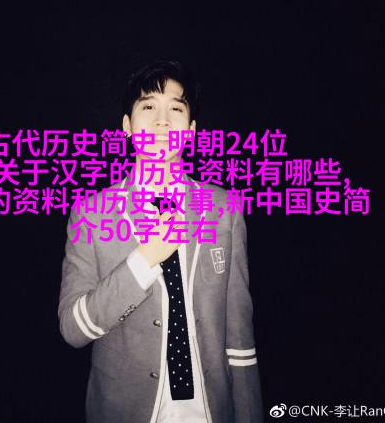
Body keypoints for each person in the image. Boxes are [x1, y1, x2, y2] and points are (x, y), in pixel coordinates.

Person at [58, 60, 264, 422]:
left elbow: (239, 334)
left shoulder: (224, 208)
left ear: (192, 129)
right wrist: (144, 259)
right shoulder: (91, 212)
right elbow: (73, 329)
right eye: (148, 107)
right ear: (127, 125)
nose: (162, 121)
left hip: (210, 411)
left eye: (176, 109)